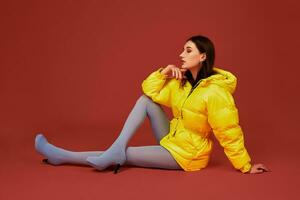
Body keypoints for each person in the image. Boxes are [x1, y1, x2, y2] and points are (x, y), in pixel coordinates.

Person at [35, 35, 269, 174]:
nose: (181, 54)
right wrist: (164, 72)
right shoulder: (183, 84)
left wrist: (245, 165)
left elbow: (229, 132)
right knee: (146, 101)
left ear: (203, 56)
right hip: (173, 138)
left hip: (187, 155)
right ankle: (116, 146)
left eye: (188, 50)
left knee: (125, 155)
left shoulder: (216, 92)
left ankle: (62, 156)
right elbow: (149, 91)